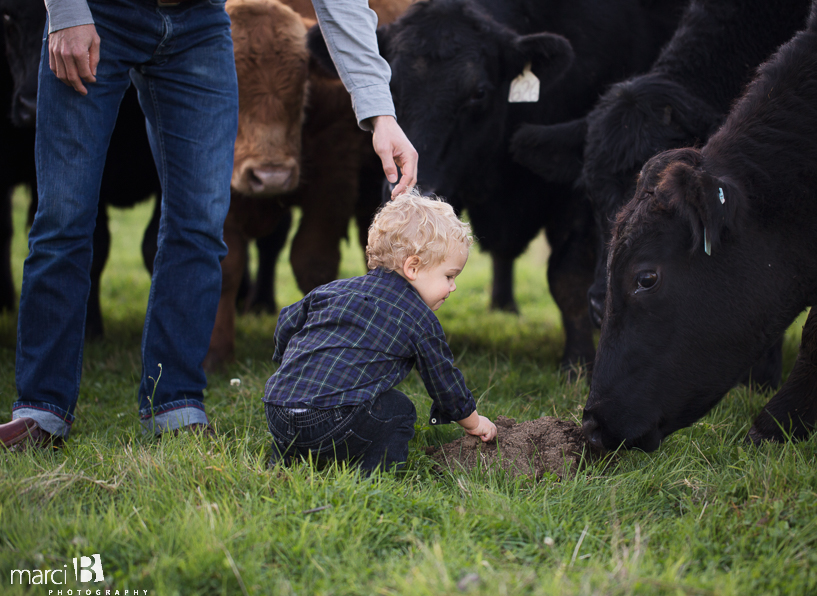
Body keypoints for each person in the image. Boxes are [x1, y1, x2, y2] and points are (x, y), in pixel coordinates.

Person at [0, 0, 417, 450]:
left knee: (199, 222)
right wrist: (65, 12)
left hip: (200, 23)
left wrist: (381, 113)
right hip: (100, 10)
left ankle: (175, 406)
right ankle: (42, 409)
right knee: (65, 213)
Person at [264, 190, 497, 473]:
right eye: (449, 276)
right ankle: (376, 476)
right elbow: (444, 382)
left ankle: (282, 459)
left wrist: (288, 362)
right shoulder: (420, 319)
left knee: (309, 416)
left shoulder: (332, 290)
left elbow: (287, 321)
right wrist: (474, 422)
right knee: (399, 409)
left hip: (277, 409)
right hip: (331, 422)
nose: (453, 287)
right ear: (413, 266)